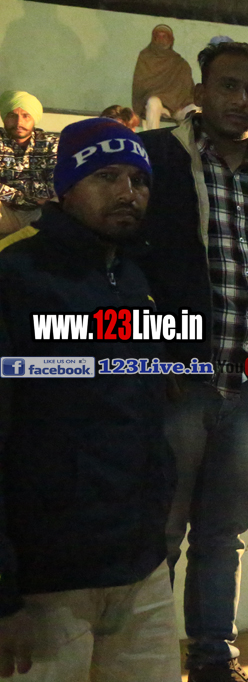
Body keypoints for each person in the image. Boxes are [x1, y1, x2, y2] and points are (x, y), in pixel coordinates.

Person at [139, 40, 248, 682]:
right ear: (200, 93)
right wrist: (155, 359)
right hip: (180, 383)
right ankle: (148, 661)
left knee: (223, 534)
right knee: (162, 530)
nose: (242, 100)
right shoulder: (157, 159)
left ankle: (215, 656)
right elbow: (130, 265)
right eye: (229, 86)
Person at [0, 118, 178, 681]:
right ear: (65, 187)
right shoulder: (14, 277)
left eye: (138, 180)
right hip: (48, 585)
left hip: (141, 569)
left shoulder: (134, 280)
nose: (128, 193)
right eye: (106, 177)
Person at [0, 90, 57, 235]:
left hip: (39, 212)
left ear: (34, 119)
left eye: (26, 116)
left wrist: (9, 194)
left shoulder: (50, 144)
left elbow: (54, 185)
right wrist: (18, 197)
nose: (19, 122)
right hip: (5, 212)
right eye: (12, 116)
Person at [132, 24, 197, 129]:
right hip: (158, 105)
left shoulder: (179, 62)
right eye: (158, 36)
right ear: (153, 39)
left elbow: (187, 90)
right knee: (153, 102)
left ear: (171, 40)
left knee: (195, 110)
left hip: (177, 106)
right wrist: (163, 97)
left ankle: (187, 139)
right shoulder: (145, 57)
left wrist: (175, 102)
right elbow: (141, 86)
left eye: (164, 36)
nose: (161, 39)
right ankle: (152, 137)